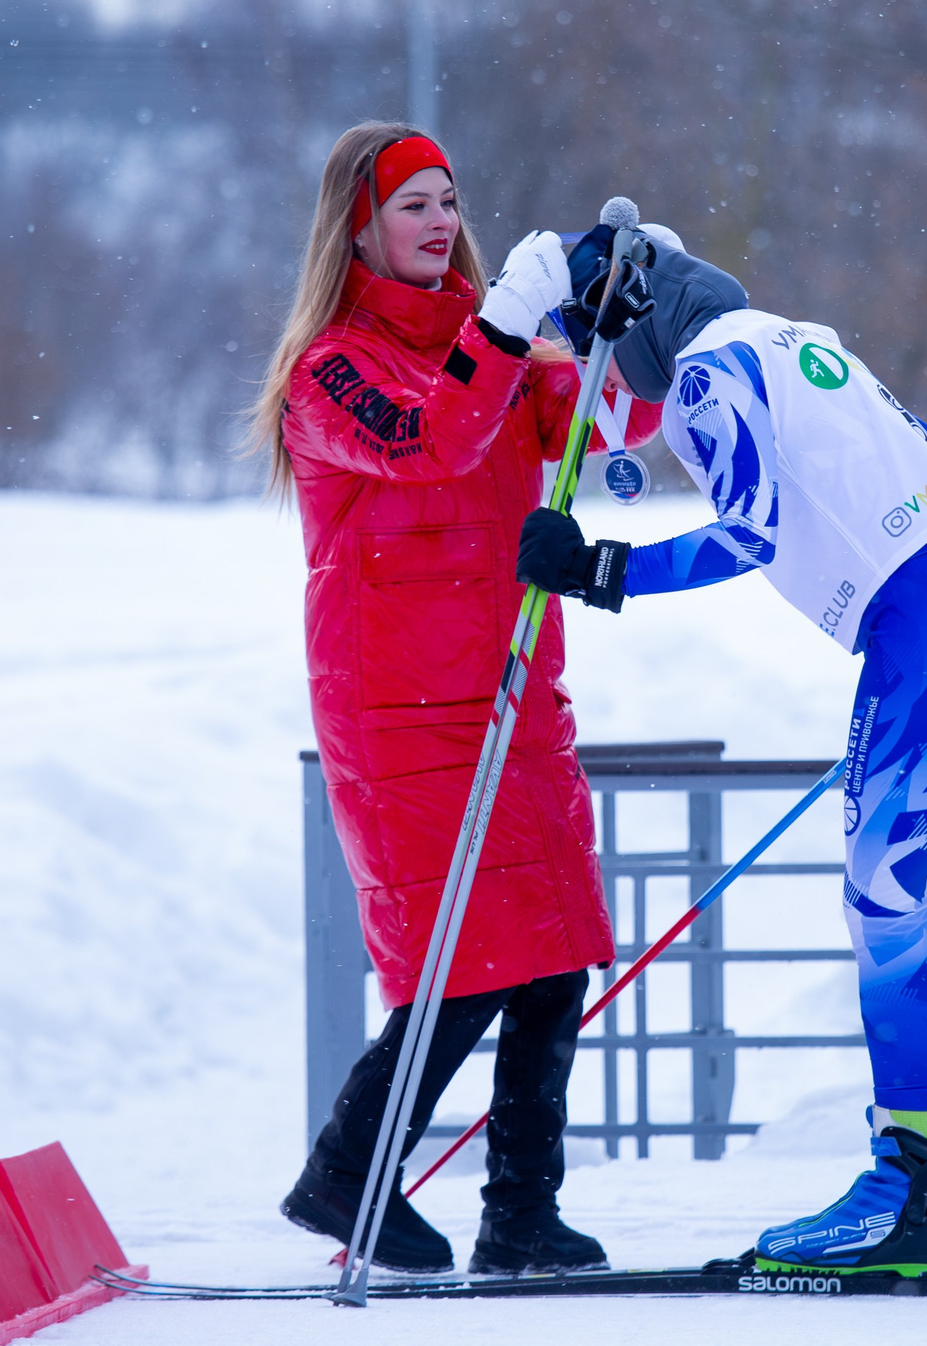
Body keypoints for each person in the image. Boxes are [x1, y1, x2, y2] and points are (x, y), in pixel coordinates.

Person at [515, 222, 927, 1276]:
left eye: (606, 348)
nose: (632, 399)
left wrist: (595, 571)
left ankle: (901, 1193)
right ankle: (908, 1183)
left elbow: (747, 528)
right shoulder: (795, 335)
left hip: (925, 638)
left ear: (639, 314)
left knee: (885, 915)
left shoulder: (706, 371)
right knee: (901, 910)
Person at [254, 121, 657, 1276]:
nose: (440, 221)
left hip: (514, 695)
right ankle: (347, 1172)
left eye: (449, 200)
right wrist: (503, 326)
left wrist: (624, 333)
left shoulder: (504, 342)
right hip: (398, 713)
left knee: (556, 950)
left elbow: (605, 430)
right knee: (464, 957)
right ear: (361, 228)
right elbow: (431, 441)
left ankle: (519, 1209)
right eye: (414, 204)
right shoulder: (331, 369)